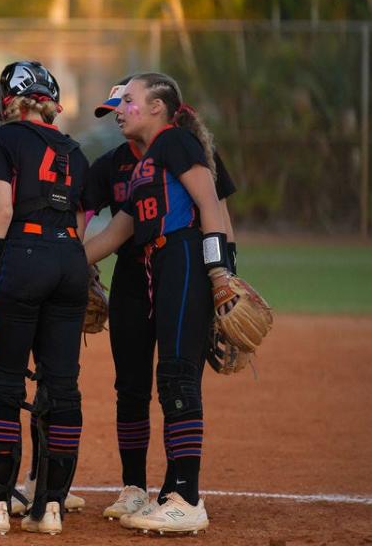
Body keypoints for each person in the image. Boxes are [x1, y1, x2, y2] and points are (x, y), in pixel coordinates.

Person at [84, 72, 234, 535]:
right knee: (164, 377)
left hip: (185, 255)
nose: (121, 109)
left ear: (157, 108)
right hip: (157, 264)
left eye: (129, 100)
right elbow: (114, 234)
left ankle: (186, 497)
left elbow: (210, 205)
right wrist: (56, 264)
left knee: (176, 375)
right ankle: (170, 492)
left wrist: (220, 272)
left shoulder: (175, 144)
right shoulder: (149, 161)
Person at [0, 61, 90, 536]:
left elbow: (2, 210)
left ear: (7, 101)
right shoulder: (74, 149)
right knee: (62, 386)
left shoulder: (2, 139)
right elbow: (80, 218)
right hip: (70, 258)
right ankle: (49, 507)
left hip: (25, 253)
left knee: (5, 383)